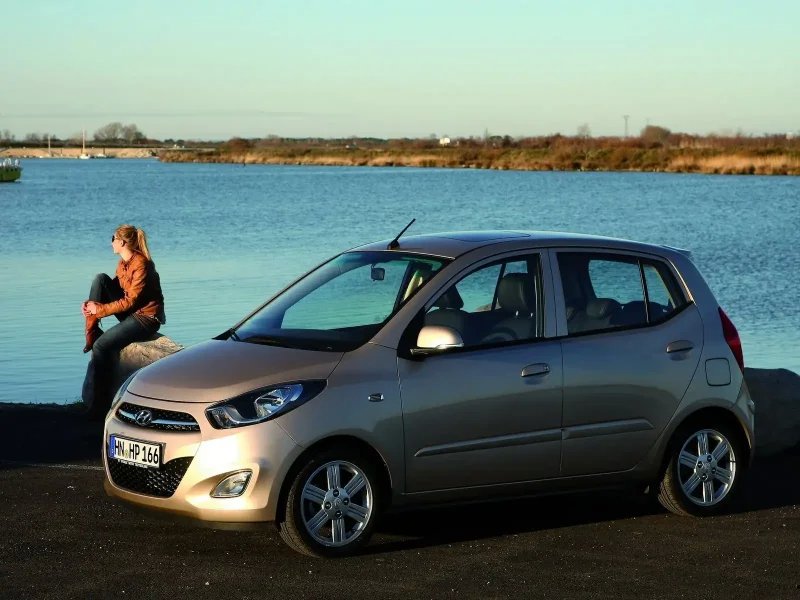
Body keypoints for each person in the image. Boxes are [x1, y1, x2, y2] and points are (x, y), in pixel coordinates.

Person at [82, 224, 165, 416]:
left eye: (113, 239)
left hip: (145, 318)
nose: (111, 243)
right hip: (132, 313)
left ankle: (100, 406)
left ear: (122, 242)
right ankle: (91, 331)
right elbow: (114, 291)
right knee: (101, 279)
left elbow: (130, 301)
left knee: (101, 346)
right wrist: (89, 306)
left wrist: (99, 309)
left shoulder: (141, 264)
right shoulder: (123, 263)